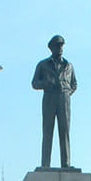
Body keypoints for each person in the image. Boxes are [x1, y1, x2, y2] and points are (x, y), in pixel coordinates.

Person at [32, 35, 77, 169]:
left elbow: (74, 83)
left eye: (62, 45)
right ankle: (45, 164)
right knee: (48, 131)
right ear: (51, 48)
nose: (60, 48)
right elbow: (34, 83)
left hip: (64, 98)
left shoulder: (68, 65)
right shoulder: (43, 65)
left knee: (64, 131)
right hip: (49, 97)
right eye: (57, 45)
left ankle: (66, 163)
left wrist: (67, 92)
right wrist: (46, 84)